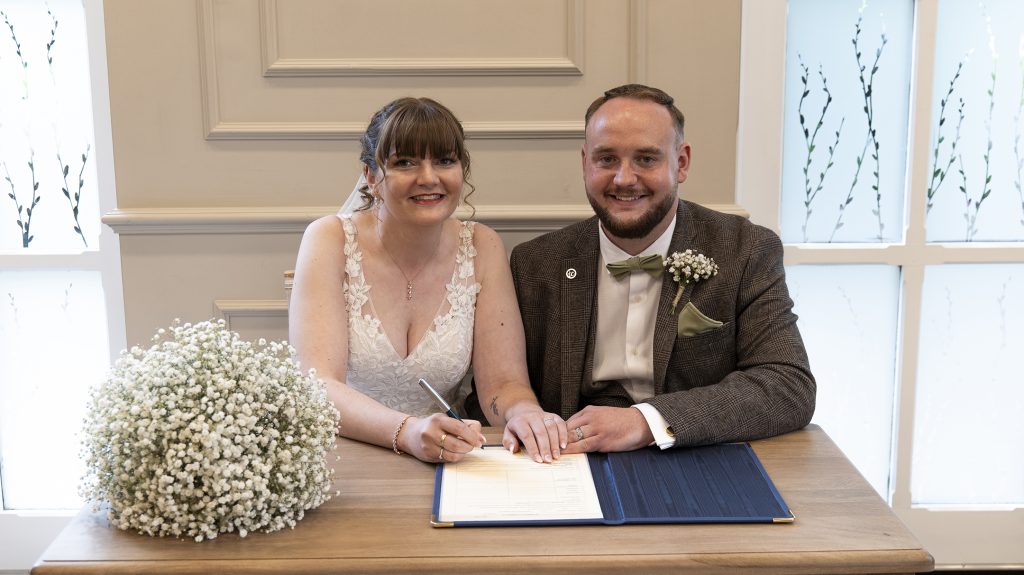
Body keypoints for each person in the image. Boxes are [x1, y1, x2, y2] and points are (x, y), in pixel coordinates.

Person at [469, 84, 815, 453]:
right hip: (568, 460)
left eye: (646, 159)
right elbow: (498, 389)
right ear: (585, 162)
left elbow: (788, 384)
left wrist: (646, 422)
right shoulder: (536, 263)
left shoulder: (744, 250)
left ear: (681, 162)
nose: (624, 179)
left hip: (691, 456)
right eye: (606, 159)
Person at [290, 97, 567, 465]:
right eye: (405, 162)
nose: (428, 177)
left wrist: (523, 413)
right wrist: (407, 432)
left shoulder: (481, 246)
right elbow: (320, 384)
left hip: (444, 456)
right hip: (346, 452)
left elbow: (503, 383)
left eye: (444, 161)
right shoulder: (329, 239)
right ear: (371, 176)